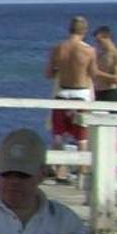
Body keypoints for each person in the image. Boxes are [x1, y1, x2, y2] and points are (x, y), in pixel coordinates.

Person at [46, 15, 97, 150]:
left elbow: (48, 74)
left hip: (62, 94)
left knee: (58, 136)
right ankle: (82, 171)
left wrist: (61, 70)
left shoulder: (58, 49)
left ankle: (57, 168)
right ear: (84, 31)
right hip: (81, 95)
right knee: (81, 138)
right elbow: (93, 74)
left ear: (69, 29)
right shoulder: (89, 51)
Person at [95, 26, 117, 103]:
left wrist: (98, 73)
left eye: (99, 41)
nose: (98, 44)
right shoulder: (100, 55)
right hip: (97, 93)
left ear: (108, 38)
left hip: (110, 93)